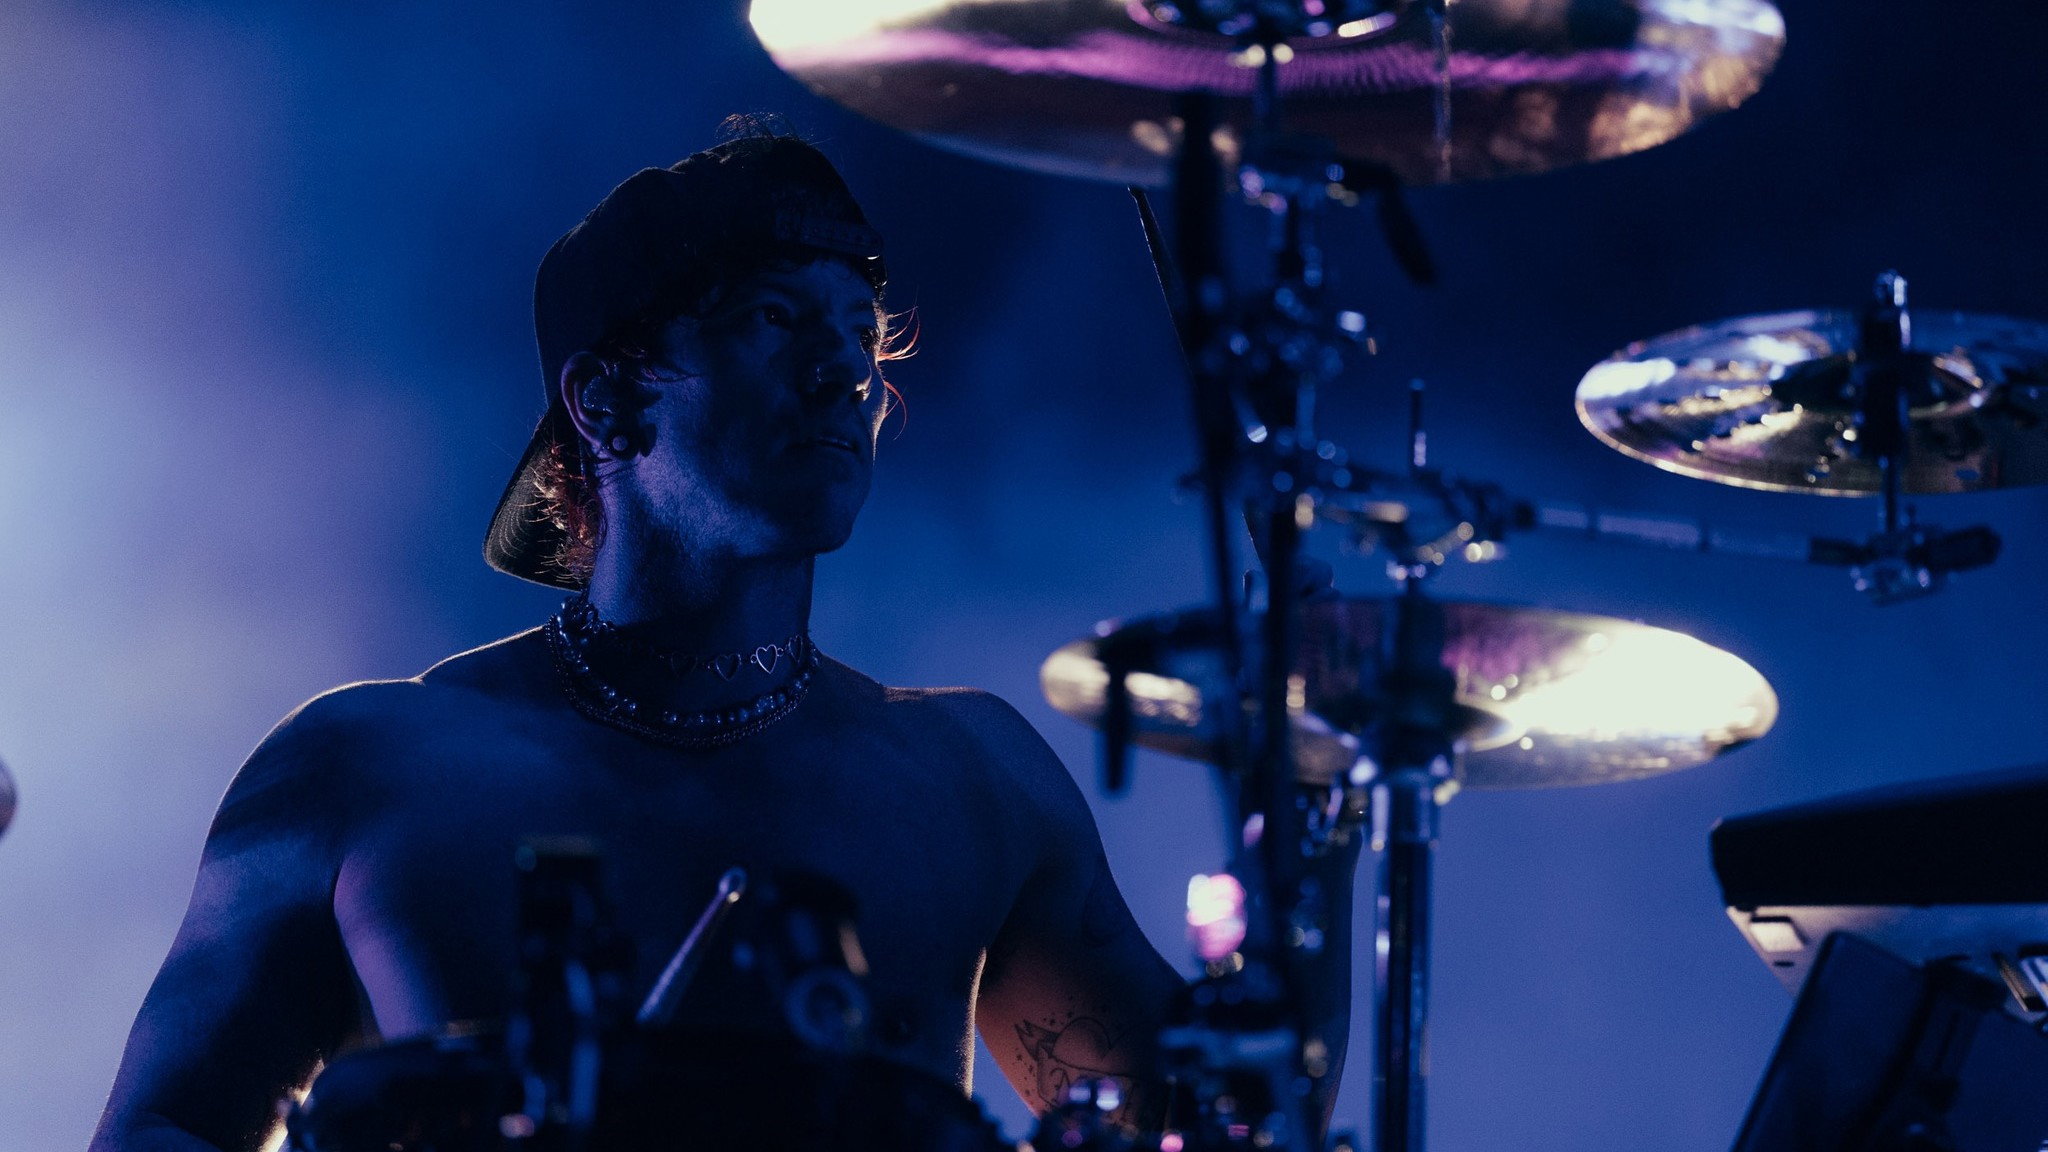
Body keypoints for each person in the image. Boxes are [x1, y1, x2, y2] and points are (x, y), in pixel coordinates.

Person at [90, 120, 1351, 1152]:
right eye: (773, 321)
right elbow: (160, 1132)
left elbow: (1223, 1131)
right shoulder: (362, 772)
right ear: (605, 401)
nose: (844, 372)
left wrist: (1323, 780)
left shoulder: (975, 781)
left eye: (858, 335)